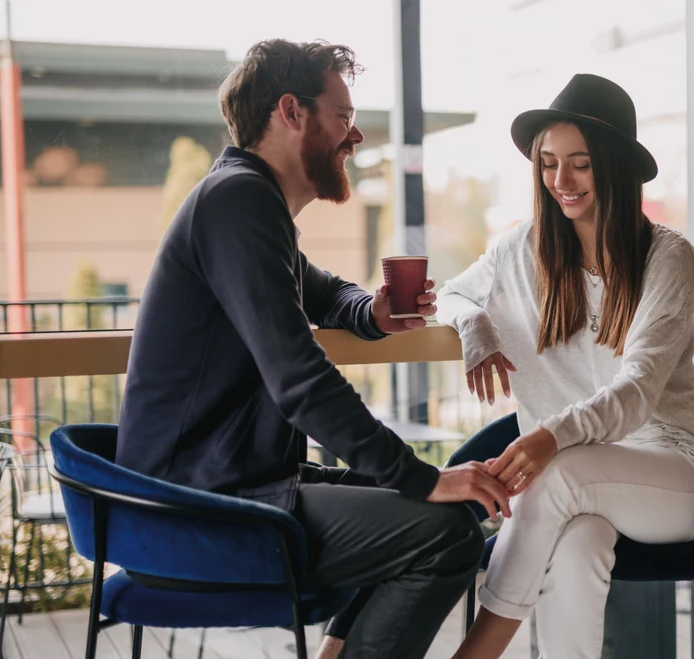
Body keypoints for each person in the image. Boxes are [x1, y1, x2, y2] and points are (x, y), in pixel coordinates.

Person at [115, 39, 511, 659]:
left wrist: (374, 313)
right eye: (344, 118)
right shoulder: (238, 201)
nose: (353, 139)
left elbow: (327, 293)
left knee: (450, 518)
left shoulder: (248, 203)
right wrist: (422, 477)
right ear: (291, 112)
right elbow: (299, 378)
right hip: (194, 510)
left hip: (225, 486)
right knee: (443, 535)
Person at [436, 74, 694, 659]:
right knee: (577, 548)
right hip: (581, 484)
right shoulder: (524, 248)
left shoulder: (667, 257)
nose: (560, 181)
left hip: (674, 469)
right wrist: (475, 327)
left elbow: (637, 391)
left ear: (614, 166)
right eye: (548, 163)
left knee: (558, 476)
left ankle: (475, 654)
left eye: (580, 164)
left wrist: (550, 437)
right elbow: (453, 294)